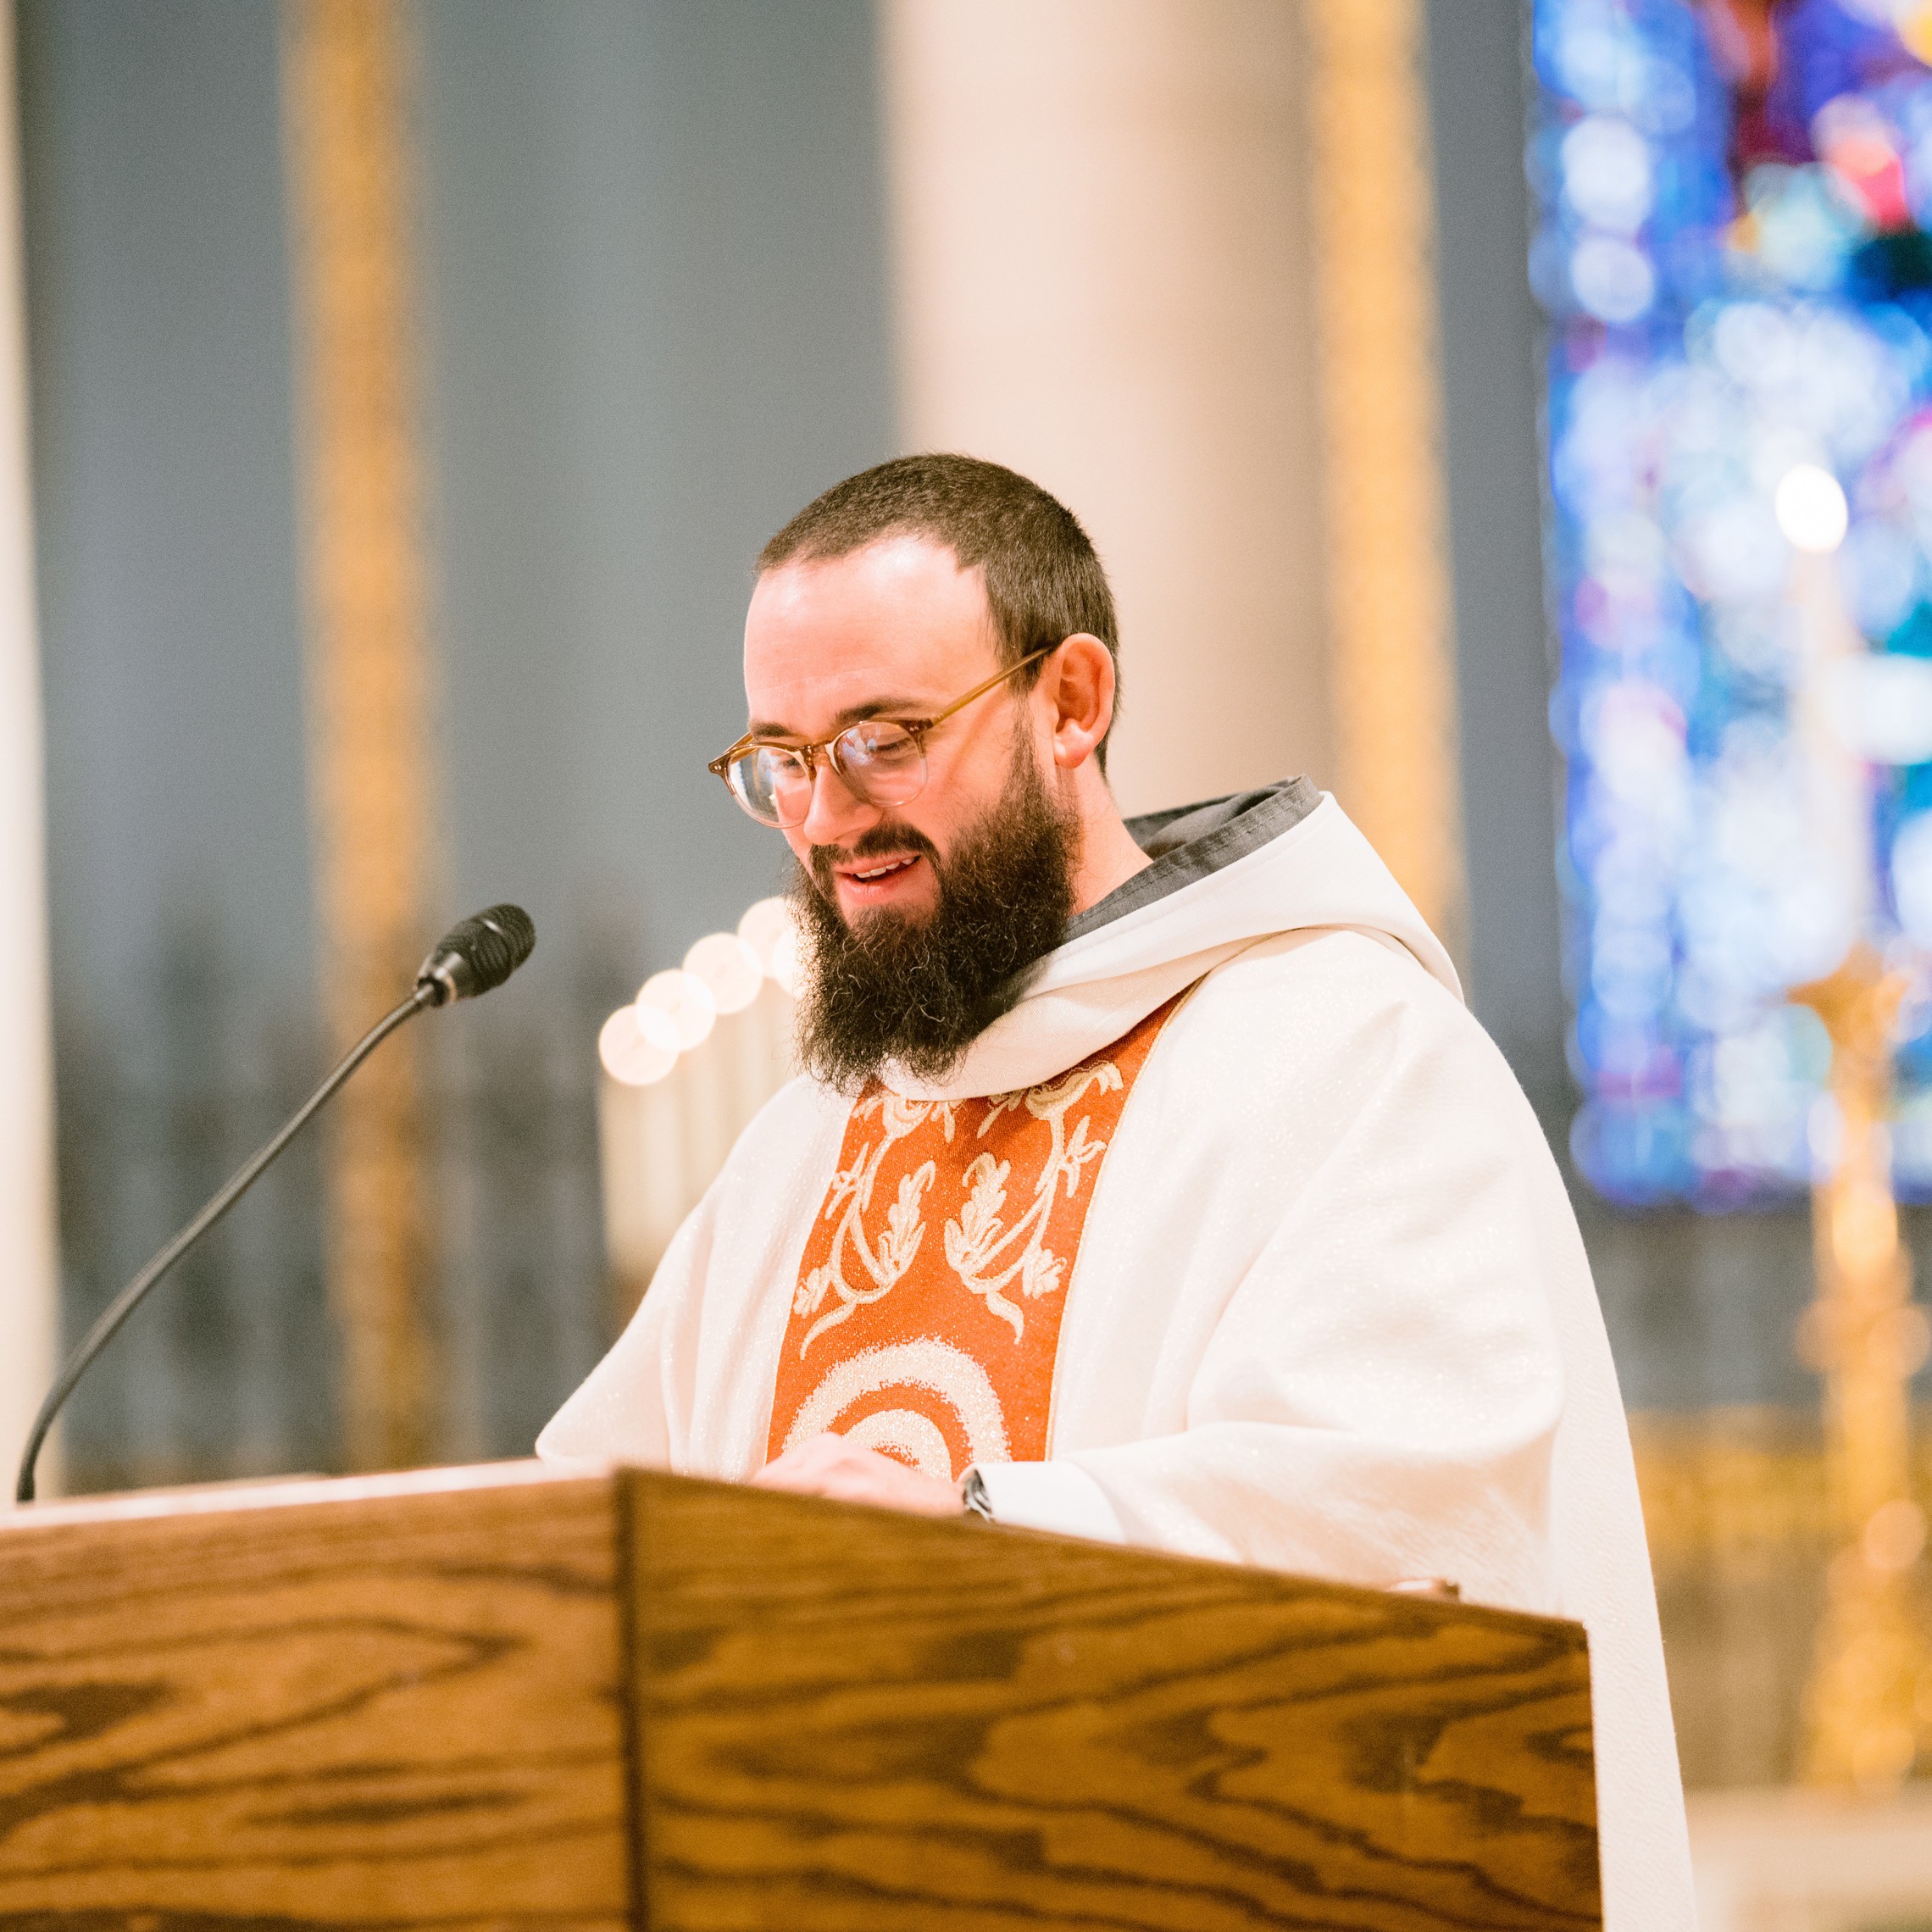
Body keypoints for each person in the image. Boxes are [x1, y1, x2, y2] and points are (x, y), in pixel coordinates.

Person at [538, 452, 1694, 1927]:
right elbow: (587, 1565)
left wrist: (974, 1529)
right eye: (783, 761)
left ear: (1071, 702)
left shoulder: (1344, 1052)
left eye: (883, 740)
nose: (825, 819)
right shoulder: (805, 1147)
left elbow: (1411, 1526)